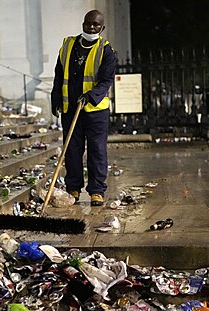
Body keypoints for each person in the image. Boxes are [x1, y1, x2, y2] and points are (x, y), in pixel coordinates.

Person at [50, 9, 117, 206]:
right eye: (88, 23)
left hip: (95, 110)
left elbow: (106, 81)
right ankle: (73, 188)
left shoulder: (106, 50)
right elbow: (58, 75)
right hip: (70, 108)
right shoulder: (68, 45)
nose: (91, 27)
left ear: (101, 28)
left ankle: (97, 191)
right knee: (71, 149)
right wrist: (55, 100)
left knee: (97, 150)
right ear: (83, 24)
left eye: (96, 25)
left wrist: (90, 96)